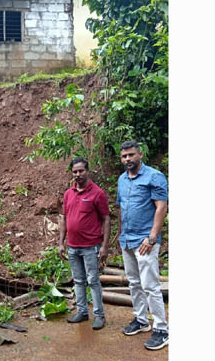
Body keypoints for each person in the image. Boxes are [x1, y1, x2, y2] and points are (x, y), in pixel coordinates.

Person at [116, 141, 169, 350]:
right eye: (124, 156)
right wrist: (120, 234)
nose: (127, 159)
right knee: (133, 282)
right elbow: (121, 208)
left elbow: (161, 207)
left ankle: (162, 329)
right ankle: (141, 320)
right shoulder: (122, 179)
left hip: (145, 241)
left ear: (140, 155)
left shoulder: (154, 176)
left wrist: (152, 237)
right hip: (127, 240)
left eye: (131, 155)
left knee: (150, 285)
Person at [59, 157, 111, 331]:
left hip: (91, 246)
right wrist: (61, 243)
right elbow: (64, 218)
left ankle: (99, 315)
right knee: (79, 281)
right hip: (73, 246)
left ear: (87, 171)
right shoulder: (68, 193)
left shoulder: (97, 193)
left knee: (93, 281)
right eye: (75, 172)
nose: (78, 174)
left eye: (81, 171)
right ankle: (82, 312)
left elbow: (106, 219)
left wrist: (104, 246)